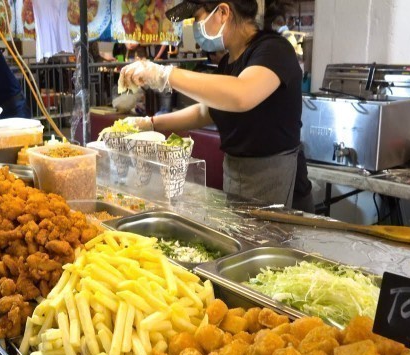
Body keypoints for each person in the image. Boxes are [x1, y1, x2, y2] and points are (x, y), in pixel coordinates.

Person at [119, 0, 313, 211]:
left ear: (222, 12)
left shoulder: (274, 50)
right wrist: (151, 123)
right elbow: (207, 111)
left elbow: (241, 94)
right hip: (238, 176)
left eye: (198, 18)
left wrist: (165, 74)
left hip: (278, 184)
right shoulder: (227, 62)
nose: (195, 28)